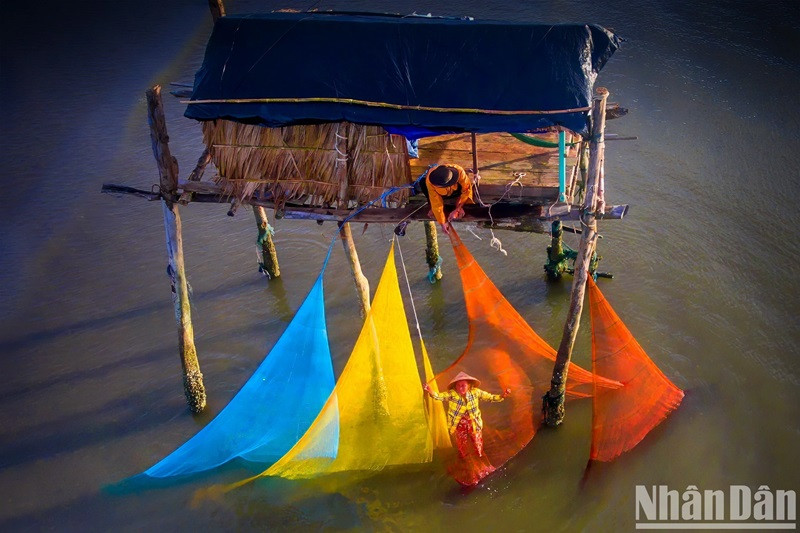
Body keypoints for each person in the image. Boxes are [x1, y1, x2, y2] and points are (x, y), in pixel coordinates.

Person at [423, 371, 510, 459]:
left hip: (473, 422)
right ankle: (464, 457)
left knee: (477, 439)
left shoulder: (475, 392)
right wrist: (430, 390)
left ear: (469, 385)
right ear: (455, 387)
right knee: (461, 442)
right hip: (459, 424)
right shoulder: (452, 394)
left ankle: (479, 455)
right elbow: (439, 396)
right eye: (458, 385)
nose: (460, 388)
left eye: (463, 385)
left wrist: (502, 396)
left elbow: (490, 397)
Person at [421, 164, 474, 233]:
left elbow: (467, 191)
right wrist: (442, 223)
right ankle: (432, 208)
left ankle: (459, 206)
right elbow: (436, 203)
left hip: (456, 191)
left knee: (466, 193)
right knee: (422, 183)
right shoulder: (430, 182)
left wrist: (458, 208)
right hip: (442, 194)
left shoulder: (460, 171)